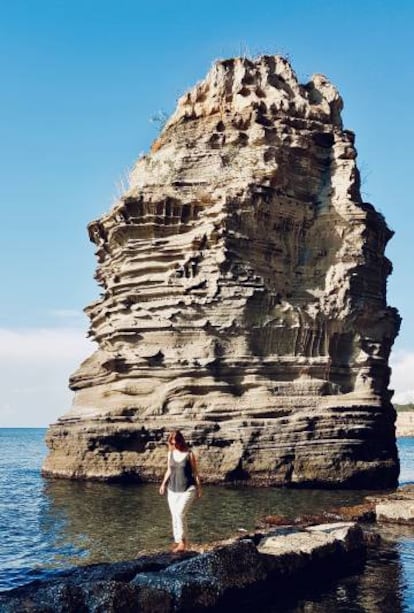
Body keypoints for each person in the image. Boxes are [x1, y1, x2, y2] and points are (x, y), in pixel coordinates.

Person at [159, 430, 201, 552]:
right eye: (172, 443)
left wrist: (199, 488)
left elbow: (195, 473)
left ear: (181, 441)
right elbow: (169, 470)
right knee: (175, 516)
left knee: (179, 513)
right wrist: (163, 484)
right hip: (172, 489)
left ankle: (182, 542)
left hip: (188, 488)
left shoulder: (189, 454)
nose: (174, 445)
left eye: (176, 442)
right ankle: (179, 540)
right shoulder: (170, 454)